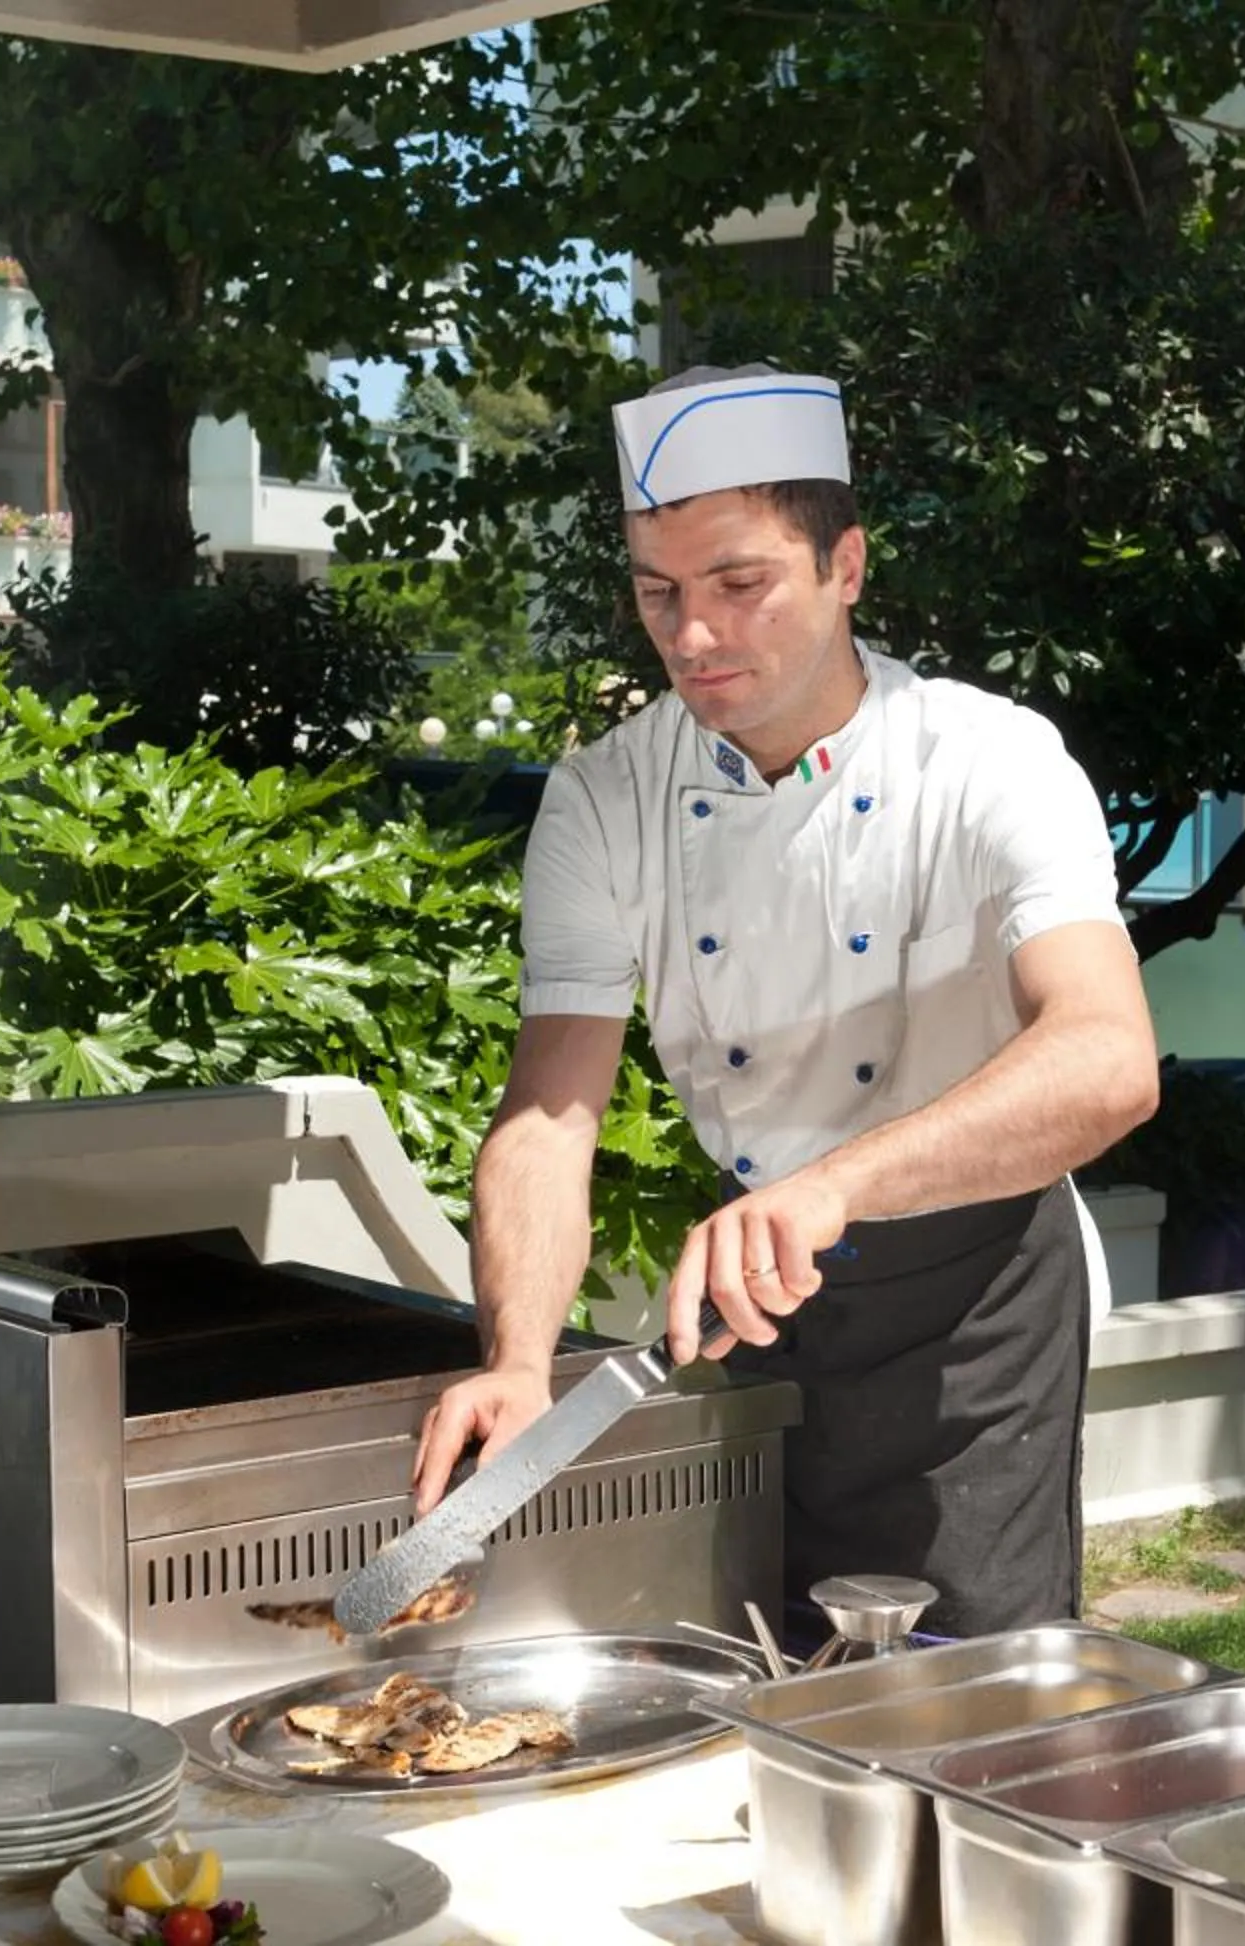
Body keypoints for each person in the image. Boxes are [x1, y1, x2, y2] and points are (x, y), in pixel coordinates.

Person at [410, 365, 1158, 1639]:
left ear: (847, 564)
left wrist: (836, 1185)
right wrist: (521, 1359)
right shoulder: (604, 798)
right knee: (746, 1655)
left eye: (740, 583)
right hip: (753, 1292)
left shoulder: (988, 760)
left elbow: (1106, 1059)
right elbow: (549, 1112)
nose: (692, 636)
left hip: (972, 1302)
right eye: (660, 591)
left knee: (952, 1694)